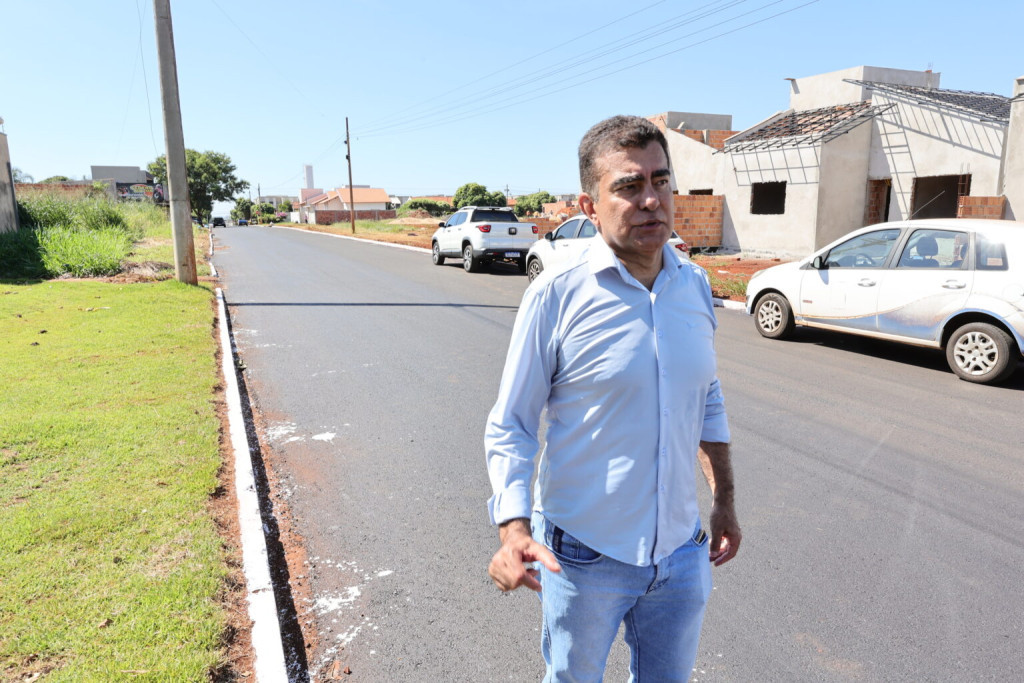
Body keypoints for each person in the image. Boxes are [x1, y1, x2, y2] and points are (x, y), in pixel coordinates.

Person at [485, 115, 741, 682]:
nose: (651, 199)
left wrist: (724, 499)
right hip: (584, 559)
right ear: (590, 206)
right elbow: (512, 424)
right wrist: (513, 529)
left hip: (680, 554)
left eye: (661, 180)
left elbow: (707, 397)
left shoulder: (694, 286)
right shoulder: (556, 295)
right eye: (628, 185)